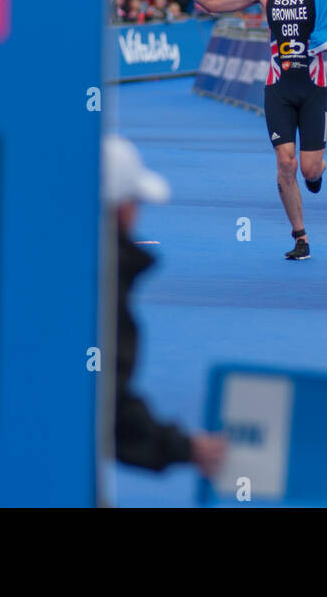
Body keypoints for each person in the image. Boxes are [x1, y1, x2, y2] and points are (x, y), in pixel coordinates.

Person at [165, 0, 327, 259]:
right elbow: (214, 4)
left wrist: (326, 46)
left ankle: (318, 171)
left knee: (309, 170)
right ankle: (300, 237)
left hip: (313, 89)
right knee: (286, 163)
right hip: (278, 89)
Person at [105, 135, 227, 477]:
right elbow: (103, 408)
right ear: (121, 208)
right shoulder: (102, 288)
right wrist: (182, 448)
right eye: (135, 201)